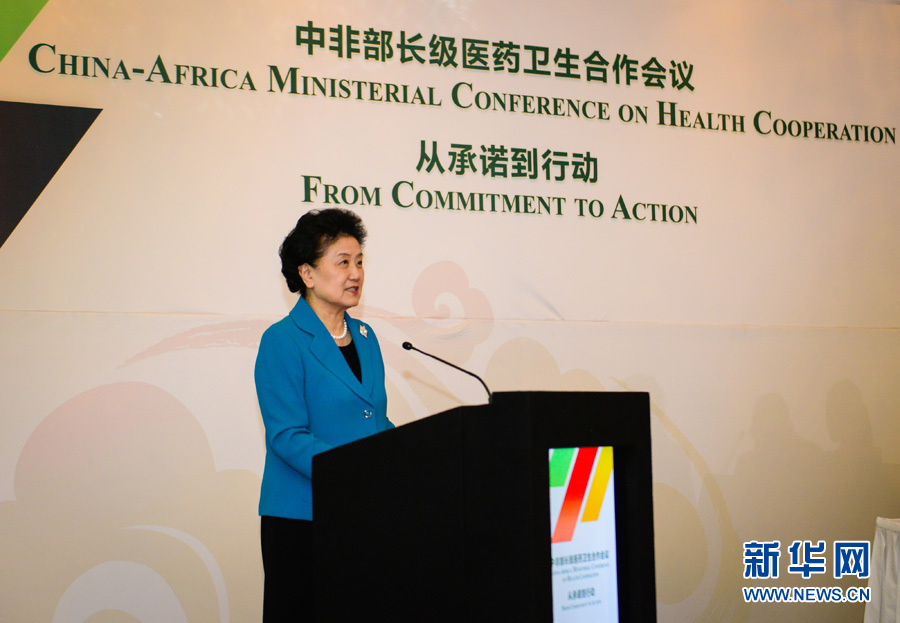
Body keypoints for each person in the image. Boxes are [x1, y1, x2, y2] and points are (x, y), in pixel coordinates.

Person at [255, 208, 394, 621]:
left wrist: (405, 455)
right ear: (307, 273)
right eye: (343, 262)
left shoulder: (366, 338)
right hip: (302, 518)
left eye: (359, 262)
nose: (356, 274)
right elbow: (287, 435)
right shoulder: (282, 340)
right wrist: (354, 469)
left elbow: (375, 419)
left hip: (361, 513)